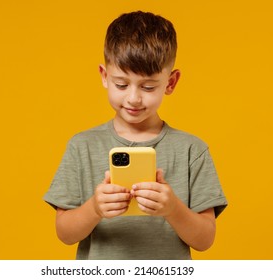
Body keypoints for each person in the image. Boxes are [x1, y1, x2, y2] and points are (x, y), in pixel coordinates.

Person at [43, 11, 227, 260]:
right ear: (104, 77)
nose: (133, 98)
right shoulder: (82, 146)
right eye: (121, 84)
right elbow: (64, 233)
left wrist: (172, 209)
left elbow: (205, 239)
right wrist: (95, 208)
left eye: (148, 87)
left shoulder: (192, 150)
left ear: (171, 83)